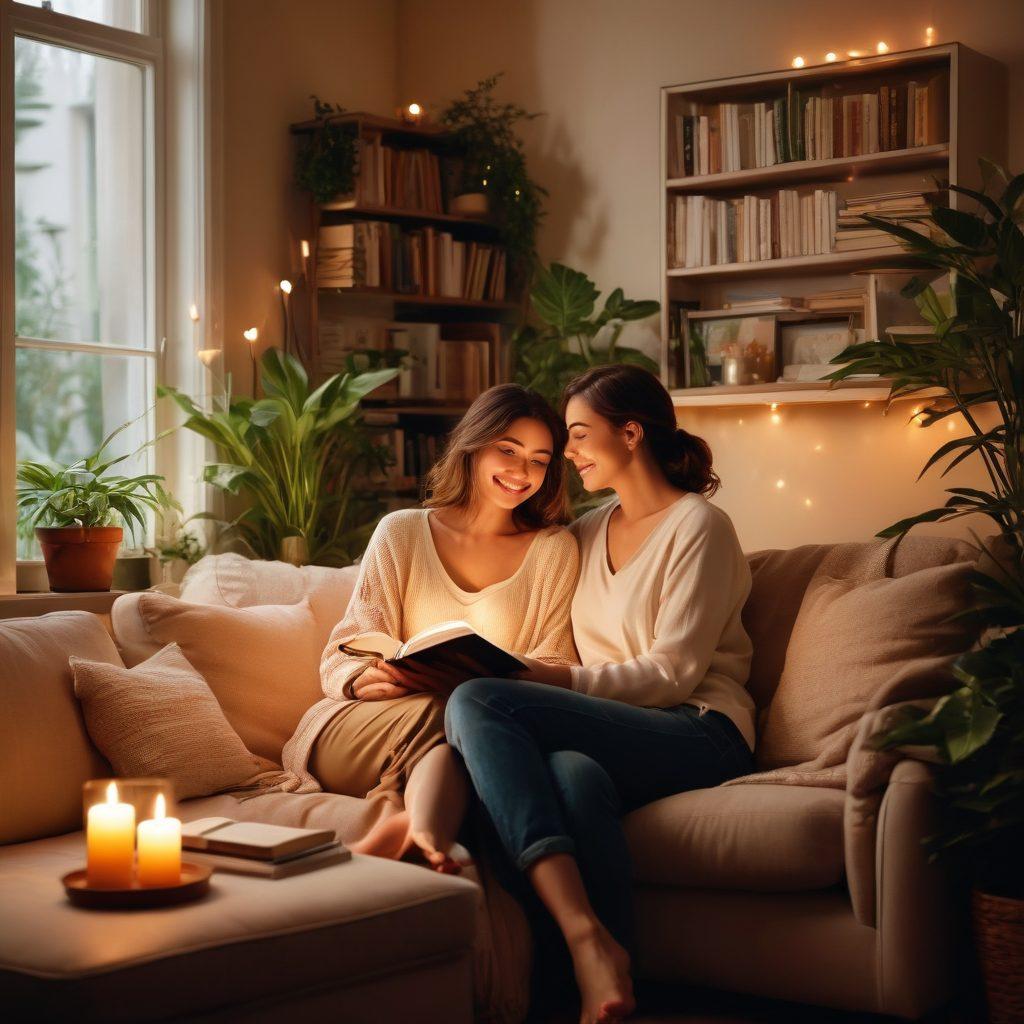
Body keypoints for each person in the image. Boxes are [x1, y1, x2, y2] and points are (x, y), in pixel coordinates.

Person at [444, 364, 756, 1023]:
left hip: (699, 729)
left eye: (580, 435)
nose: (570, 453)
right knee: (573, 776)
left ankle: (587, 953)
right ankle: (600, 976)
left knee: (476, 702)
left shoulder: (700, 526)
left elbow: (672, 671)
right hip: (614, 732)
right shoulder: (586, 532)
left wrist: (553, 680)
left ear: (632, 433)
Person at [281, 384, 580, 871]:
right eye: (507, 450)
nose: (522, 472)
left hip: (468, 724)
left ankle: (418, 832)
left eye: (539, 460)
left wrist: (483, 684)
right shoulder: (400, 531)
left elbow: (560, 663)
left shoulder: (554, 550)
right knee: (462, 718)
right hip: (360, 727)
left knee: (465, 716)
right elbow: (345, 646)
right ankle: (414, 828)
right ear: (473, 446)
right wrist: (358, 679)